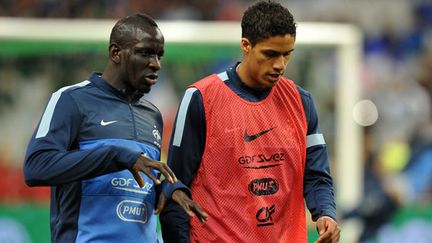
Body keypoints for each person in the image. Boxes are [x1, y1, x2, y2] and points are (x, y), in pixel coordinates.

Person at [160, 1, 340, 242]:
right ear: (246, 45)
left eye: (287, 55)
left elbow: (316, 175)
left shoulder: (301, 102)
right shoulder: (201, 98)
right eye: (270, 54)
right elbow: (175, 187)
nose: (280, 65)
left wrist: (325, 214)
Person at [23, 13, 208, 243]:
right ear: (115, 53)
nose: (156, 64)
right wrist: (116, 155)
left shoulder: (152, 115)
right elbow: (36, 167)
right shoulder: (71, 100)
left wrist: (170, 190)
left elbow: (141, 179)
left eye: (159, 55)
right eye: (145, 53)